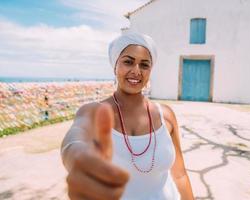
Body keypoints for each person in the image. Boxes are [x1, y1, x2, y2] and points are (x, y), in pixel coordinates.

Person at [60, 32, 194, 200]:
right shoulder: (94, 112)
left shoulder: (165, 115)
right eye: (128, 62)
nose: (136, 71)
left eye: (144, 65)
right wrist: (79, 161)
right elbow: (74, 141)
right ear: (115, 65)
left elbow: (180, 175)